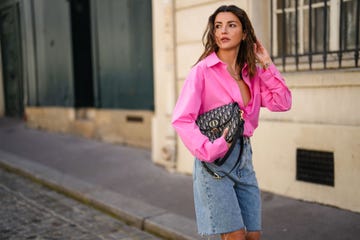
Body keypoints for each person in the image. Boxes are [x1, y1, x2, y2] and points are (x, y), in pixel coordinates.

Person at [171, 5, 292, 240]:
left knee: (253, 235)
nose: (223, 31)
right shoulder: (202, 71)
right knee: (235, 236)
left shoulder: (252, 74)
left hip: (244, 159)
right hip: (216, 163)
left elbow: (282, 101)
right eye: (218, 26)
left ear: (245, 33)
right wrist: (212, 149)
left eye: (231, 25)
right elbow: (182, 119)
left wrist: (266, 64)